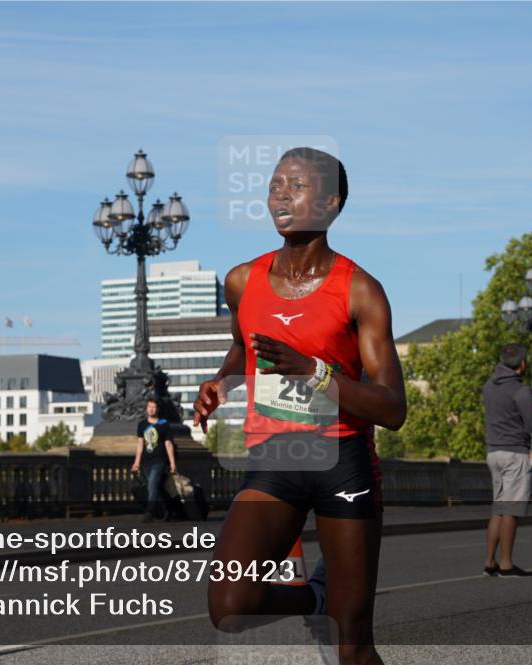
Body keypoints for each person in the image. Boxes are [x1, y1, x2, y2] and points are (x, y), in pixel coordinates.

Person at [193, 147, 406, 665]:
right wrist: (222, 382)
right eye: (274, 185)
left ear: (331, 204)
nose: (281, 194)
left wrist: (314, 371)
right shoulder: (242, 281)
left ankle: (333, 608)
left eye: (297, 185)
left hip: (343, 461)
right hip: (275, 461)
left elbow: (392, 407)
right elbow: (244, 348)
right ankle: (315, 596)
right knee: (230, 604)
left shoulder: (360, 290)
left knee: (352, 644)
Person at [482, 343, 532, 577]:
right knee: (511, 510)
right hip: (515, 453)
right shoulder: (521, 391)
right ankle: (507, 565)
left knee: (498, 509)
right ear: (522, 364)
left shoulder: (489, 386)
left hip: (494, 452)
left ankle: (490, 562)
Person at [131, 398, 177, 523]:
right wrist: (136, 462)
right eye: (149, 406)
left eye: (154, 407)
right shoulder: (142, 424)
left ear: (158, 409)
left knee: (152, 485)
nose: (151, 409)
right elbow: (140, 444)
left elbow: (168, 444)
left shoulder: (163, 424)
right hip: (146, 462)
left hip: (160, 460)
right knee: (158, 487)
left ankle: (149, 512)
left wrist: (172, 463)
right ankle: (170, 510)